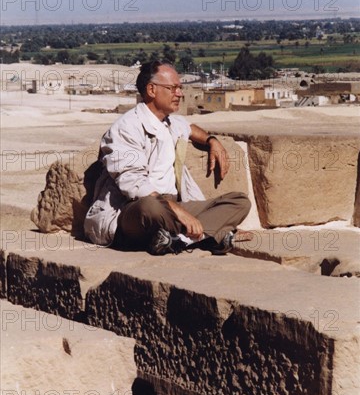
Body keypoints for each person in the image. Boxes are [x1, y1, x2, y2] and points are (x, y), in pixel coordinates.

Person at [84, 61, 251, 255]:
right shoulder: (126, 127)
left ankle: (176, 240)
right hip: (134, 209)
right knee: (150, 207)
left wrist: (212, 141)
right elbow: (134, 185)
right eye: (172, 88)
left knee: (239, 202)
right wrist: (180, 213)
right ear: (152, 90)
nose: (179, 93)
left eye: (179, 88)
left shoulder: (170, 123)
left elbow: (190, 129)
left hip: (172, 208)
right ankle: (206, 235)